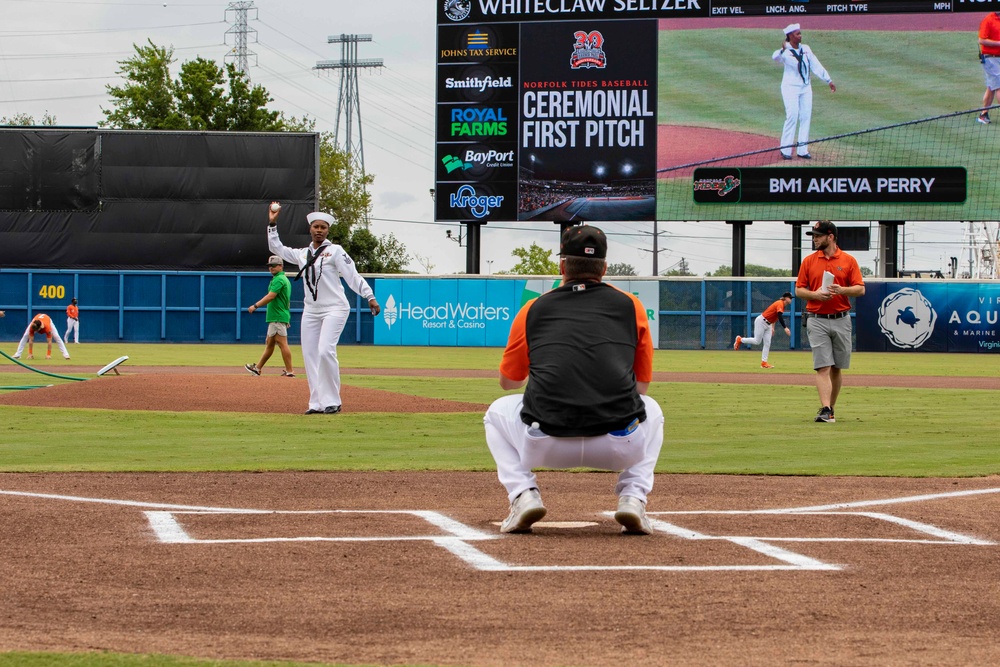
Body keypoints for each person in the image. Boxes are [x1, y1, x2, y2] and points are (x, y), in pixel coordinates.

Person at [483, 225, 665, 535]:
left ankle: (523, 495)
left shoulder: (533, 308)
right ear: (604, 268)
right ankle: (633, 499)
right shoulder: (632, 306)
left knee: (495, 413)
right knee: (653, 410)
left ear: (562, 266)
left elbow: (509, 383)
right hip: (618, 443)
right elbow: (641, 388)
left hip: (543, 440)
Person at [267, 202, 380, 415]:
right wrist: (272, 224)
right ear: (310, 229)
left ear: (328, 230)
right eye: (316, 227)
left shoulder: (335, 251)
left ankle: (332, 401)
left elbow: (352, 276)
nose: (319, 230)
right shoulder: (302, 254)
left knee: (325, 350)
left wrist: (370, 296)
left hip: (335, 308)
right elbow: (277, 249)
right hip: (311, 310)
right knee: (310, 355)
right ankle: (316, 403)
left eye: (323, 227)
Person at [795, 221, 865, 423]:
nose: (814, 239)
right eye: (814, 235)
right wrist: (815, 295)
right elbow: (799, 290)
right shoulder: (809, 261)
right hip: (816, 319)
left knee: (837, 367)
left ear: (830, 236)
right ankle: (825, 408)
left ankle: (830, 409)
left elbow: (860, 289)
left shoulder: (848, 260)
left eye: (818, 235)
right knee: (823, 366)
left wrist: (842, 290)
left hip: (841, 318)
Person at [772, 24, 835, 159]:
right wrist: (782, 49)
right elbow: (775, 58)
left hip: (805, 87)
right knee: (792, 116)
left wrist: (828, 80)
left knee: (805, 116)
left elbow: (815, 65)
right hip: (790, 87)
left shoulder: (806, 49)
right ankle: (786, 150)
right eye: (797, 34)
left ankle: (802, 149)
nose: (800, 36)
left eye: (800, 33)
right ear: (790, 36)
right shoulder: (785, 52)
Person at [245, 255, 295, 378]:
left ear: (280, 266)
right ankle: (257, 369)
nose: (271, 268)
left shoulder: (279, 279)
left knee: (282, 343)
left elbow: (270, 296)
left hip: (277, 316)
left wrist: (255, 306)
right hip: (277, 316)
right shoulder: (283, 278)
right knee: (270, 343)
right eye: (269, 266)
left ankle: (290, 371)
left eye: (274, 265)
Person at [734, 292, 793, 369]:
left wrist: (772, 327)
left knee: (767, 343)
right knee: (757, 341)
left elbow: (775, 316)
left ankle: (764, 363)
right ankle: (740, 339)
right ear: (785, 298)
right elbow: (779, 316)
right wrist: (785, 328)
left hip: (768, 324)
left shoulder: (782, 306)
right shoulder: (780, 303)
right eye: (790, 298)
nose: (791, 299)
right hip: (761, 321)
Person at [977, 11, 1000, 124]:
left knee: (991, 87)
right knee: (999, 86)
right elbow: (981, 39)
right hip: (990, 58)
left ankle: (983, 114)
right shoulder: (989, 20)